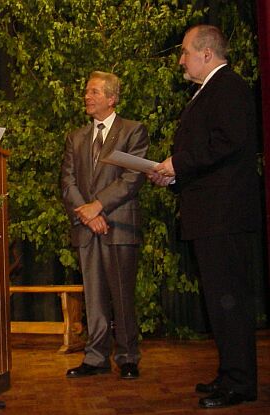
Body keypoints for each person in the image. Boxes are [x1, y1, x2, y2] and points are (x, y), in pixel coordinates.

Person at [148, 25, 260, 408]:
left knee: (230, 301)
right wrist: (173, 176)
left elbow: (228, 142)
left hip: (224, 216)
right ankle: (230, 373)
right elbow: (209, 153)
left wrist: (177, 163)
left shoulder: (228, 87)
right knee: (219, 300)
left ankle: (241, 382)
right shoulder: (210, 91)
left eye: (184, 52)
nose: (181, 60)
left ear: (206, 54)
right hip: (211, 214)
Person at [61, 71, 148, 380]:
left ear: (111, 98)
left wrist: (99, 207)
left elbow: (132, 177)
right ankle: (95, 357)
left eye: (94, 92)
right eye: (87, 91)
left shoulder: (132, 131)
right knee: (94, 297)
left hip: (120, 225)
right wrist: (88, 215)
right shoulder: (76, 136)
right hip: (87, 227)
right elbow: (68, 181)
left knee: (122, 295)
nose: (87, 96)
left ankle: (127, 357)